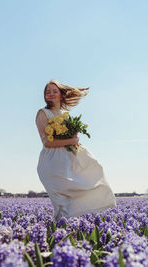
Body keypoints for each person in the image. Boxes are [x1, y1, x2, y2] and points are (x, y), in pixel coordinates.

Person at [35, 80, 117, 222]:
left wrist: (74, 139)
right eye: (47, 92)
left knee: (95, 172)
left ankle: (70, 233)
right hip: (52, 163)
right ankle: (60, 236)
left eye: (54, 91)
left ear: (61, 94)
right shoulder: (43, 113)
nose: (51, 94)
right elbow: (47, 142)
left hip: (67, 161)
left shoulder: (63, 114)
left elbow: (71, 137)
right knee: (63, 205)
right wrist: (72, 141)